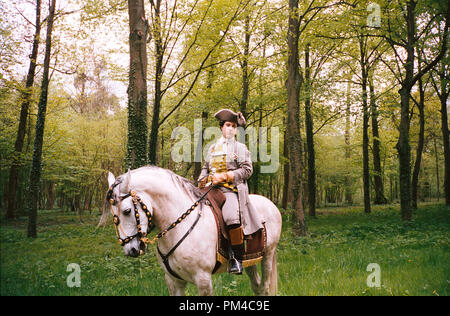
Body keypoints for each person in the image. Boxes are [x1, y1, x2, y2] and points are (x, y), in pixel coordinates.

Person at [198, 109, 263, 274]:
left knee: (231, 217)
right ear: (221, 127)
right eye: (228, 125)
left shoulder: (240, 148)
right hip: (210, 190)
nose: (230, 129)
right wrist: (201, 179)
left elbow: (247, 170)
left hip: (231, 191)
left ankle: (236, 258)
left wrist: (226, 176)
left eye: (234, 126)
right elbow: (205, 168)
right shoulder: (212, 148)